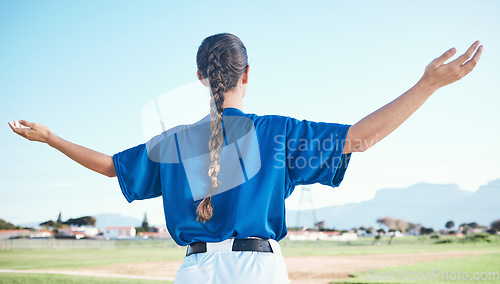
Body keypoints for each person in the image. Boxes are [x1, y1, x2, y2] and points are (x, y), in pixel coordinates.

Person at [8, 33, 483, 283]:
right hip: (257, 271)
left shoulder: (173, 141)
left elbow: (112, 165)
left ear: (200, 77)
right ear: (247, 74)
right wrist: (428, 85)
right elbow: (358, 138)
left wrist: (52, 139)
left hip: (193, 271)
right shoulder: (275, 132)